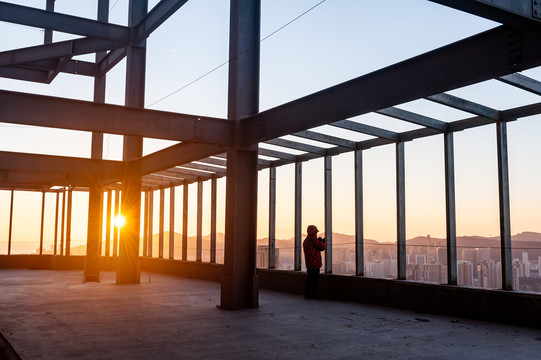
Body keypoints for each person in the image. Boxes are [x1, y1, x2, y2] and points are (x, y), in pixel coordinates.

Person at [303, 225, 326, 299]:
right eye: (316, 232)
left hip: (309, 263)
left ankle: (308, 294)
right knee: (315, 280)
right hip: (315, 263)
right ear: (314, 232)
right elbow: (321, 247)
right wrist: (323, 242)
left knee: (309, 279)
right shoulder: (313, 239)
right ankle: (313, 294)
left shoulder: (306, 240)